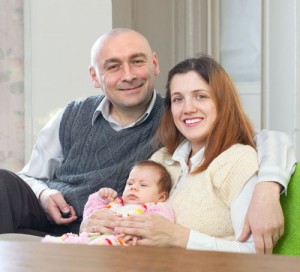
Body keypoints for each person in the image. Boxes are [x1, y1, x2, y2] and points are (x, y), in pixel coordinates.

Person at [0, 28, 295, 254]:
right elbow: (28, 177)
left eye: (137, 62)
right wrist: (43, 194)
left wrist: (268, 185)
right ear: (95, 75)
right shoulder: (73, 115)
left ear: (153, 64)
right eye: (113, 66)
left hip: (109, 235)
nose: (128, 75)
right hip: (64, 219)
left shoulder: (175, 121)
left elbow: (258, 138)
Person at [110, 56, 290, 253]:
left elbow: (255, 251)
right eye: (178, 99)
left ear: (223, 102)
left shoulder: (236, 161)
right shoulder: (162, 159)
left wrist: (179, 237)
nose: (188, 108)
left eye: (201, 96)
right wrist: (104, 221)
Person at [42, 160, 174, 245]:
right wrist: (100, 198)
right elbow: (91, 214)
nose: (133, 187)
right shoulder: (118, 203)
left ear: (161, 196)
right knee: (63, 242)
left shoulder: (157, 207)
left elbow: (158, 228)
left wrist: (137, 234)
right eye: (130, 183)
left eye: (143, 185)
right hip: (92, 237)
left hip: (121, 243)